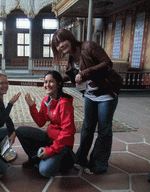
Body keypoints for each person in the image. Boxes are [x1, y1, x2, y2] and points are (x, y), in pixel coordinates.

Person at [51, 28, 122, 174]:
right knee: (87, 128)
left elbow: (107, 63)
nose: (60, 46)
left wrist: (85, 73)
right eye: (57, 45)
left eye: (62, 41)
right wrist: (53, 80)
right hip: (90, 95)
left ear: (70, 38)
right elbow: (70, 76)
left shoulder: (88, 46)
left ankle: (99, 164)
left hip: (106, 94)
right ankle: (81, 159)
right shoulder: (70, 58)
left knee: (104, 130)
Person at [16, 70, 76, 178]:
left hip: (62, 143)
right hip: (49, 137)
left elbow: (67, 132)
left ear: (59, 84)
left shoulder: (65, 104)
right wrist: (32, 107)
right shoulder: (46, 100)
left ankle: (67, 159)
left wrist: (50, 151)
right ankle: (36, 158)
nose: (47, 85)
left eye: (51, 82)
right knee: (20, 131)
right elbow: (40, 122)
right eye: (45, 82)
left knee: (45, 171)